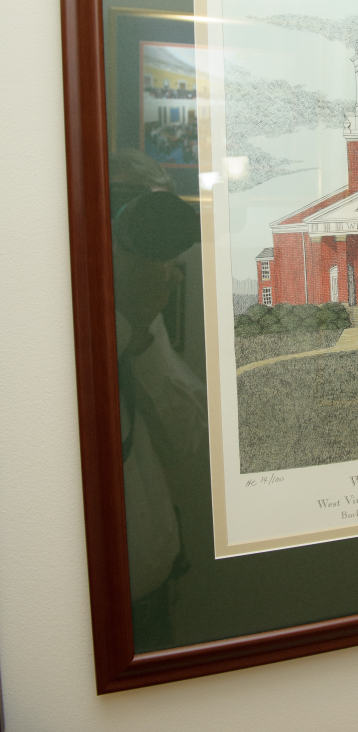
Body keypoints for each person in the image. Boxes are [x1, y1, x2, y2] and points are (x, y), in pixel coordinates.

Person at [110, 151, 207, 647]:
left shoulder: (139, 318)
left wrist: (142, 323)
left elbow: (187, 439)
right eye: (118, 204)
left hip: (156, 587)